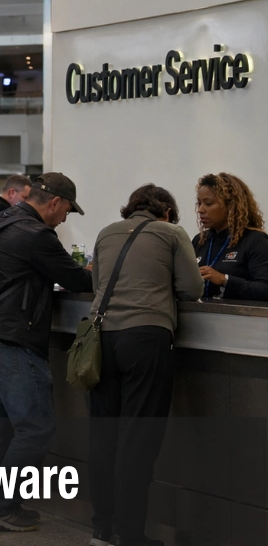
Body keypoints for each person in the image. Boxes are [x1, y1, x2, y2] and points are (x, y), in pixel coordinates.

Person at [0, 173, 94, 531]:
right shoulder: (37, 235)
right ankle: (0, 506)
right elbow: (79, 280)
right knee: (35, 426)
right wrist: (94, 269)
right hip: (13, 339)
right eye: (67, 210)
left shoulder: (1, 219)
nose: (65, 218)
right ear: (54, 202)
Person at [87, 185, 203, 546]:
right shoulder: (171, 232)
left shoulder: (106, 232)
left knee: (104, 438)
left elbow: (96, 285)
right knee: (137, 440)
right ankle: (130, 534)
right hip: (146, 339)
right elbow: (192, 287)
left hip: (101, 340)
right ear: (166, 210)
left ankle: (102, 530)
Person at [193, 172, 268, 301]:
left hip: (239, 319)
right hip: (199, 317)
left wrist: (225, 280)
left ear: (231, 206)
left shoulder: (256, 241)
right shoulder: (200, 240)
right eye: (199, 203)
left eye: (208, 203)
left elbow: (265, 290)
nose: (201, 210)